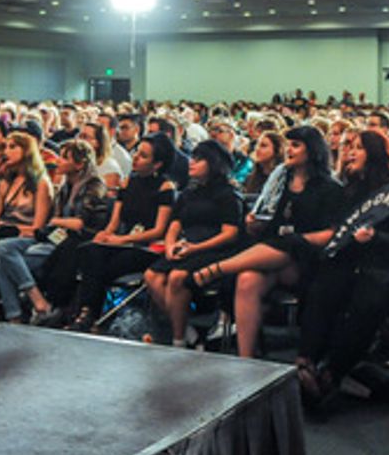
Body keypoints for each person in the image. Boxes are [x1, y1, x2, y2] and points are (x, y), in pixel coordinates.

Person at [296, 129, 389, 405]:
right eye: (349, 147)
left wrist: (376, 237)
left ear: (375, 153)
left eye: (358, 148)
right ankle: (306, 361)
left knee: (366, 301)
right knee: (322, 284)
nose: (350, 153)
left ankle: (332, 372)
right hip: (356, 264)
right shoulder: (351, 190)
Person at [190, 125, 343, 357]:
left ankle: (219, 268)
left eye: (296, 145)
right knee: (247, 280)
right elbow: (277, 223)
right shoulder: (285, 182)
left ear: (312, 150)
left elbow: (331, 234)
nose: (289, 150)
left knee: (288, 243)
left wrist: (298, 238)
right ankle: (246, 357)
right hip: (277, 253)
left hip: (308, 258)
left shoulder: (329, 188)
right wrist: (257, 226)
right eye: (289, 144)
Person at [66, 133, 177, 333]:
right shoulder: (127, 182)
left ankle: (89, 313)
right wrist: (105, 234)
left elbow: (158, 230)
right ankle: (87, 312)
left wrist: (122, 239)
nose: (135, 158)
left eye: (143, 156)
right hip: (124, 241)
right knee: (88, 250)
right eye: (136, 153)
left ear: (157, 164)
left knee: (102, 264)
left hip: (146, 246)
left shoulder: (165, 187)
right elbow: (115, 221)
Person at [144, 139, 244, 346]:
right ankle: (188, 330)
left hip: (214, 248)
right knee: (152, 276)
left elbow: (230, 234)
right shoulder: (189, 193)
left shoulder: (228, 195)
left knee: (177, 277)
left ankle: (178, 339)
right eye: (193, 158)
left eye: (199, 160)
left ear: (213, 163)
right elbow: (175, 224)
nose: (191, 162)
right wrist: (170, 245)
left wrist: (196, 248)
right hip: (187, 246)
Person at [23, 139, 110, 324]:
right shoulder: (66, 186)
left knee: (28, 256)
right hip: (59, 236)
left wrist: (56, 221)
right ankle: (25, 304)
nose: (58, 161)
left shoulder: (94, 186)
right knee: (6, 254)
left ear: (79, 164)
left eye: (65, 158)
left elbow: (80, 223)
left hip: (83, 238)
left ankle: (45, 302)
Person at [0, 131, 54, 321]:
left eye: (12, 147)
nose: (6, 152)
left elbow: (39, 228)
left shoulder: (41, 183)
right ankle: (15, 316)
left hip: (33, 240)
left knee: (3, 248)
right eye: (6, 147)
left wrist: (15, 230)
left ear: (26, 151)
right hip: (9, 240)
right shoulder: (6, 183)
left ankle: (36, 298)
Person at [243, 131, 285, 196]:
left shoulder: (282, 179)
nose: (257, 149)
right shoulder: (251, 177)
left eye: (263, 146)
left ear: (277, 150)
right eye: (257, 144)